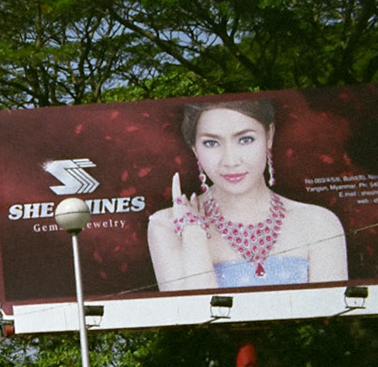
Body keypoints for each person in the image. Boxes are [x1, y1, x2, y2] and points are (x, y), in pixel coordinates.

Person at [147, 97, 347, 290]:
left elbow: (334, 317)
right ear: (194, 148)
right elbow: (194, 316)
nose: (231, 160)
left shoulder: (320, 223)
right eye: (211, 143)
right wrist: (193, 236)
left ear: (269, 136)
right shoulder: (166, 226)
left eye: (245, 139)